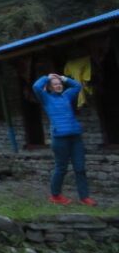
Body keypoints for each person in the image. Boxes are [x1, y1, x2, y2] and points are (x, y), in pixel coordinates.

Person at [33, 72, 96, 206]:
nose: (59, 86)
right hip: (60, 138)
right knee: (61, 168)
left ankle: (84, 197)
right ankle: (55, 195)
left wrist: (63, 78)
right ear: (49, 87)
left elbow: (77, 86)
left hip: (75, 137)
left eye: (60, 84)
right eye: (55, 84)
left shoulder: (66, 95)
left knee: (80, 168)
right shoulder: (46, 98)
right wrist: (48, 77)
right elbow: (36, 87)